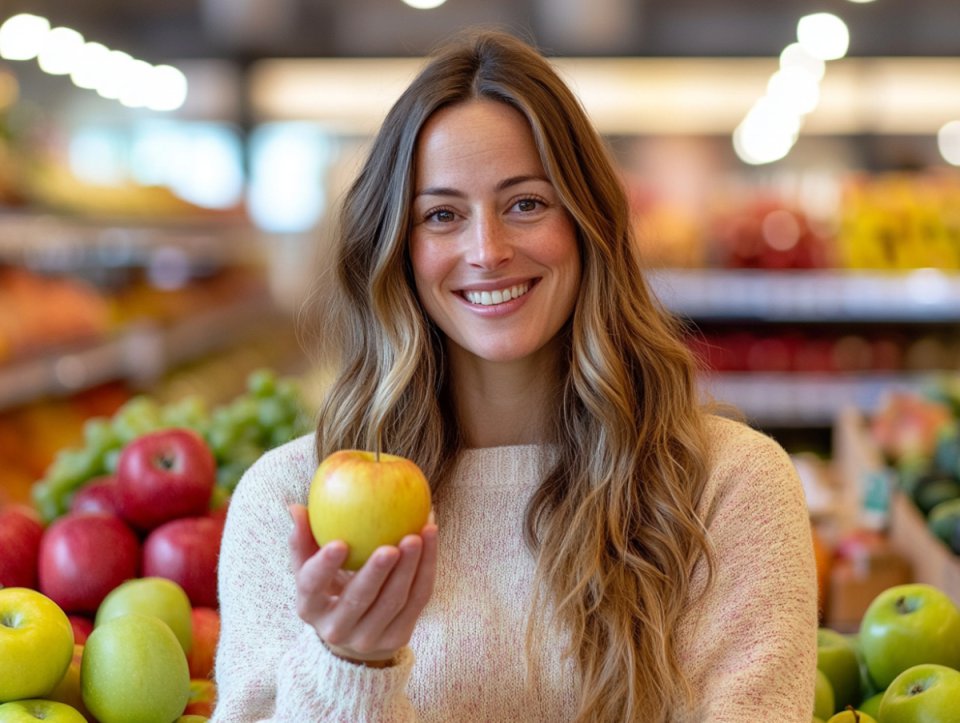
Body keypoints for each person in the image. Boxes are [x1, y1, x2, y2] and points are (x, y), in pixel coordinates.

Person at [212, 28, 818, 723]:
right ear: (397, 251)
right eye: (442, 214)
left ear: (589, 225)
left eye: (526, 202)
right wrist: (351, 667)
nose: (487, 250)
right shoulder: (288, 508)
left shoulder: (728, 488)